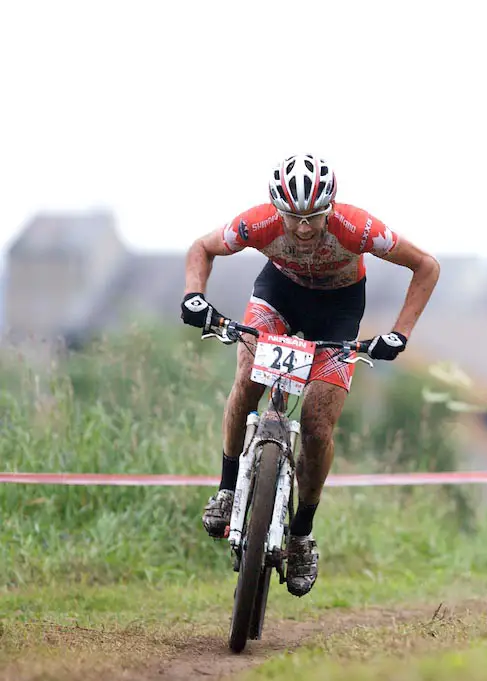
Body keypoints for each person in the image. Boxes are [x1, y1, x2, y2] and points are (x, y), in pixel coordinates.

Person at [179, 153, 440, 597]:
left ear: (330, 209)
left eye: (314, 217)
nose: (302, 228)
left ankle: (301, 534)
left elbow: (426, 266)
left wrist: (400, 334)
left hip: (338, 309)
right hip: (279, 293)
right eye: (293, 217)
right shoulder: (258, 223)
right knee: (247, 382)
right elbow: (201, 248)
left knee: (318, 425)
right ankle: (226, 491)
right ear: (276, 209)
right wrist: (193, 297)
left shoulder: (359, 228)